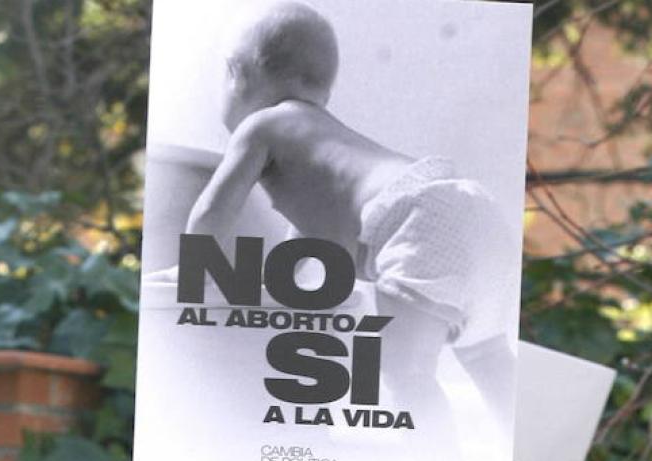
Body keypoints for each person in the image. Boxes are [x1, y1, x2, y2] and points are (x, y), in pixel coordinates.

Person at [187, 1, 513, 421]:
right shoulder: (321, 151)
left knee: (406, 374)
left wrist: (193, 275)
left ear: (235, 74)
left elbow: (212, 211)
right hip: (469, 209)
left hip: (415, 217)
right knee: (485, 352)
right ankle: (522, 455)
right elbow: (302, 252)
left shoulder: (262, 126)